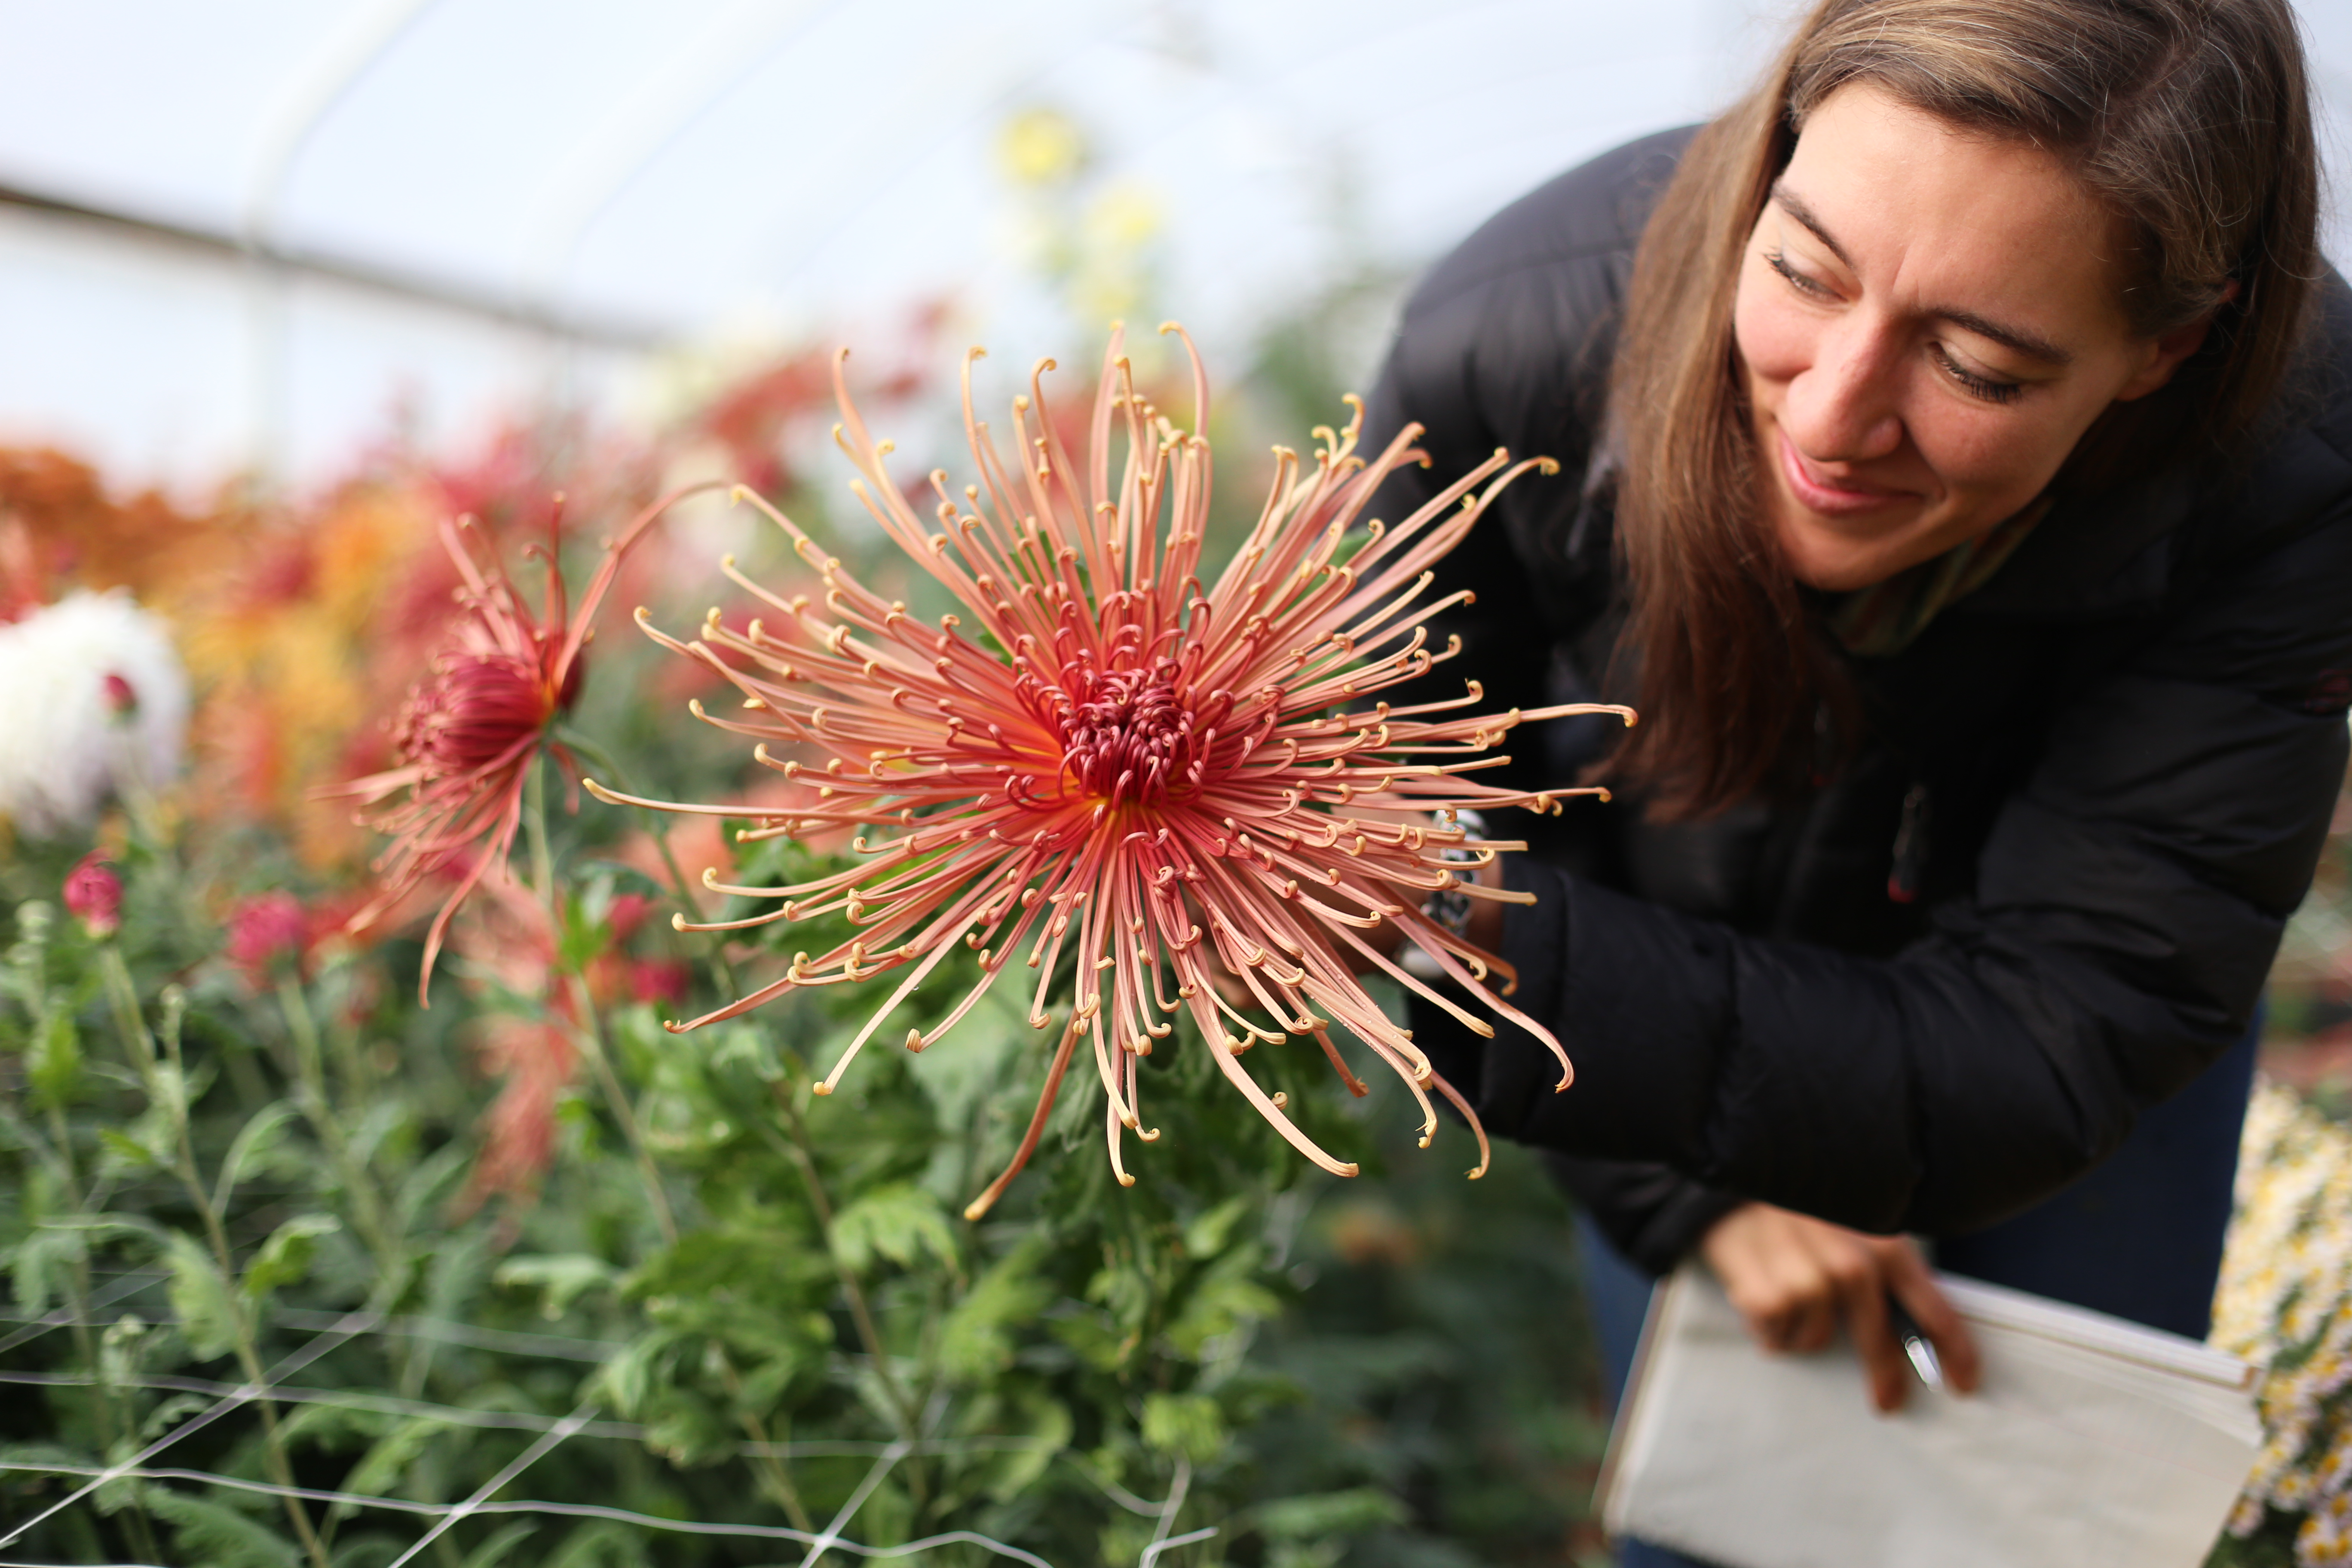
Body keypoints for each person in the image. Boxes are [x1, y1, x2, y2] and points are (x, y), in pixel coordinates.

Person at [1360, 0, 2347, 1560]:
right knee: (1732, 1530)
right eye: (1804, 270)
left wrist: (1498, 938)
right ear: (1773, 155)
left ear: (2171, 349)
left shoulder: (2291, 466)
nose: (1826, 419)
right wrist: (1696, 1200)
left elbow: (2070, 1024)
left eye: (1979, 365)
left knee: (2016, 1535)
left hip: (2057, 1057)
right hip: (1642, 1031)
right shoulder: (1512, 346)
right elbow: (1405, 809)